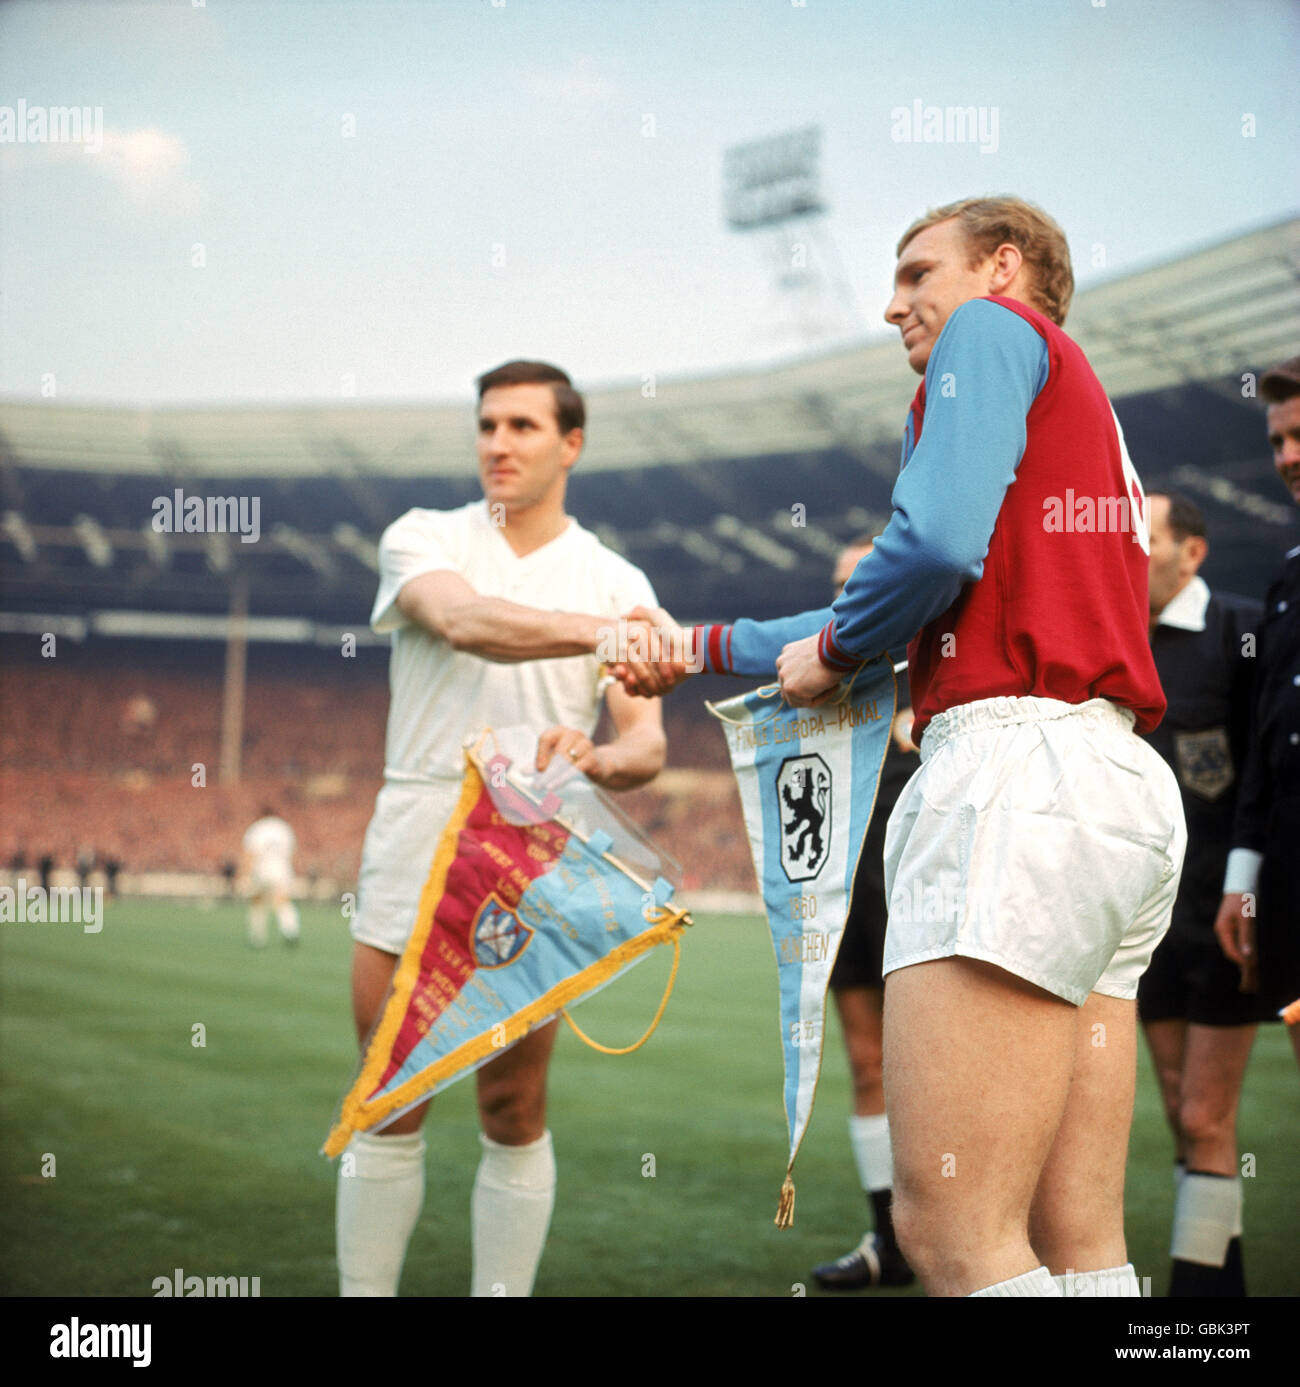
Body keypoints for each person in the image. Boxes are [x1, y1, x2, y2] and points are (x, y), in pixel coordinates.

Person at [618, 197, 1186, 1297]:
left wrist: (834, 644)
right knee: (1081, 1240)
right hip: (1108, 782)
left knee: (953, 1233)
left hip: (1013, 774)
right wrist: (699, 645)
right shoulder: (1073, 408)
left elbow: (922, 547)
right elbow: (914, 588)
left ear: (1001, 269)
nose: (891, 306)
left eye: (916, 272)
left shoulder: (988, 334)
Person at [337, 360, 673, 1299]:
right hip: (414, 833)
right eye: (488, 424)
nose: (498, 443)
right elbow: (468, 620)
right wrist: (609, 634)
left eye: (524, 426)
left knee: (513, 1104)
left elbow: (645, 742)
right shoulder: (424, 536)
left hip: (532, 852)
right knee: (389, 1097)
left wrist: (602, 759)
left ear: (571, 443)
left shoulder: (615, 575)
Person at [1137, 491, 1263, 1296]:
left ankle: (1194, 1322)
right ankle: (1228, 1292)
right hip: (1145, 914)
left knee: (1208, 1119)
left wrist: (1254, 887)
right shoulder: (1114, 638)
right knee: (1184, 1112)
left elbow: (1267, 771)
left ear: (1192, 553)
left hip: (1226, 909)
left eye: (1143, 539)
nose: (1126, 552)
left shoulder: (1242, 633)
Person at [811, 537, 918, 1291]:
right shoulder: (822, 677)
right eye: (841, 584)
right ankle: (890, 1240)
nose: (852, 594)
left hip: (922, 885)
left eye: (865, 579)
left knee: (950, 1064)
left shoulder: (941, 674)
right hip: (842, 884)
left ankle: (959, 1231)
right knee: (868, 1059)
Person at [1214, 354, 1300, 1072]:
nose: (1288, 457)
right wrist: (1242, 881)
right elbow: (1267, 748)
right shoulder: (1286, 580)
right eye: (1276, 442)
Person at [241, 806, 300, 947]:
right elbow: (291, 852)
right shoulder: (284, 828)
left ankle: (257, 938)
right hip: (282, 870)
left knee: (258, 902)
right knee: (282, 901)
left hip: (261, 870)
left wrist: (245, 875)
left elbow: (250, 853)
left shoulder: (257, 828)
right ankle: (290, 930)